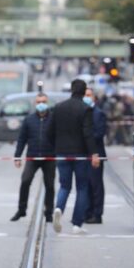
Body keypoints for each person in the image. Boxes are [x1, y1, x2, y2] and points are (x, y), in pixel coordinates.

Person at [47, 79, 100, 234]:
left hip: (62, 153)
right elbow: (88, 134)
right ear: (84, 92)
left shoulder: (58, 108)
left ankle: (58, 208)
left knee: (64, 185)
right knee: (82, 188)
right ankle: (77, 224)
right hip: (80, 155)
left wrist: (56, 147)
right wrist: (94, 154)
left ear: (71, 90)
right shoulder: (86, 109)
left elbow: (49, 132)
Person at [11, 93, 56, 222]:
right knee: (25, 181)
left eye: (43, 101)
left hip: (49, 157)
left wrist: (59, 154)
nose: (41, 104)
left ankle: (48, 213)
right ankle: (21, 210)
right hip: (33, 156)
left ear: (47, 103)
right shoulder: (29, 119)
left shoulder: (53, 119)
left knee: (49, 185)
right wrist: (17, 156)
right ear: (35, 104)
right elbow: (22, 139)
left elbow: (59, 138)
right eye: (38, 102)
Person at [84, 88, 107, 224]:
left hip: (96, 154)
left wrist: (86, 139)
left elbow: (99, 133)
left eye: (89, 95)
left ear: (94, 98)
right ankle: (87, 212)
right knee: (85, 184)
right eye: (85, 95)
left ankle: (97, 214)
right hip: (84, 155)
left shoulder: (98, 114)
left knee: (96, 185)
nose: (87, 97)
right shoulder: (82, 112)